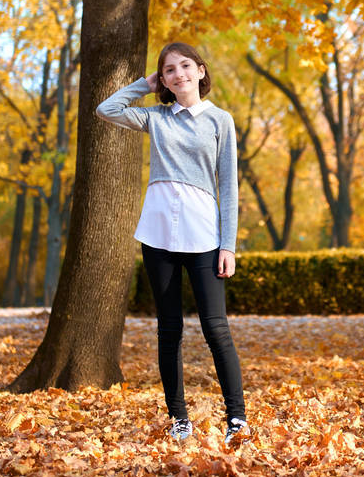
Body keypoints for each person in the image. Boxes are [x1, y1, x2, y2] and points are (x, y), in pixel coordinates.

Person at [96, 41, 250, 446]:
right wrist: (142, 86)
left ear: (200, 70)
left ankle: (237, 417)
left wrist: (228, 245)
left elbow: (229, 189)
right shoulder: (156, 117)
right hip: (159, 233)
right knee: (169, 330)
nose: (178, 74)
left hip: (204, 234)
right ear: (163, 80)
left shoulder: (221, 121)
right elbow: (106, 110)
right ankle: (179, 418)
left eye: (185, 66)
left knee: (216, 328)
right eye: (169, 70)